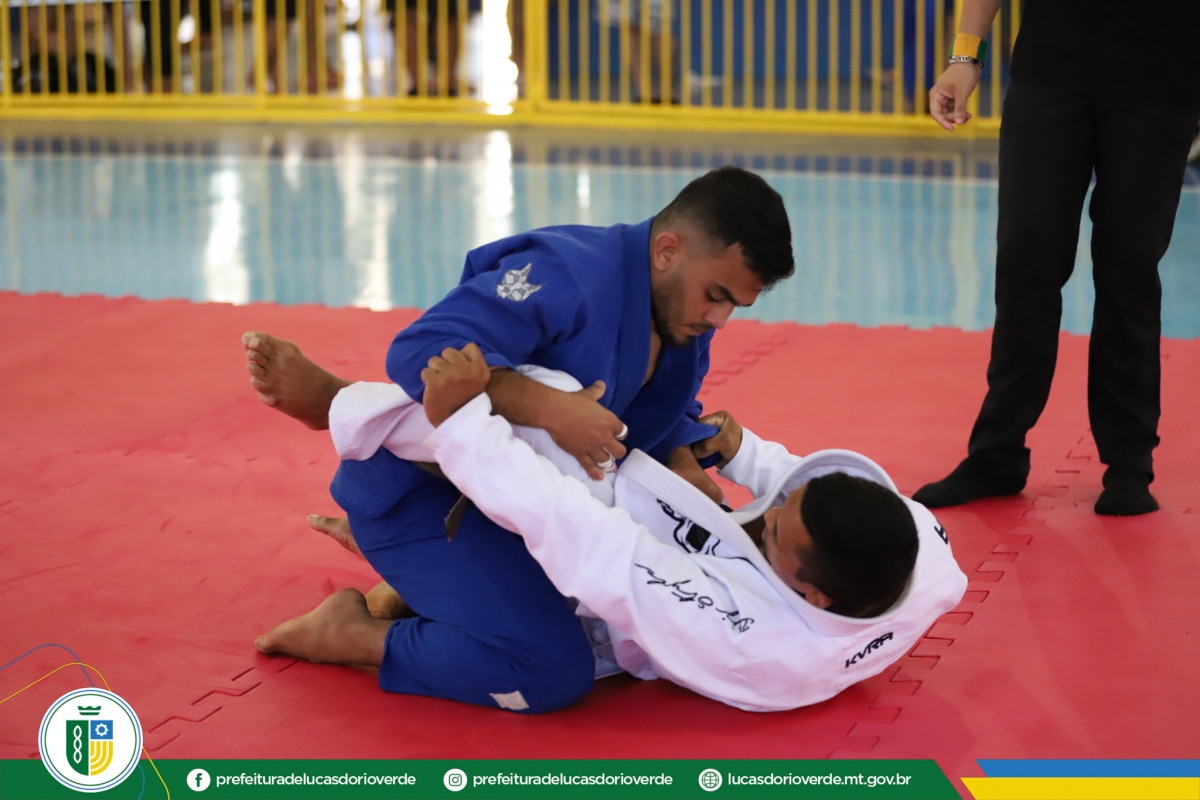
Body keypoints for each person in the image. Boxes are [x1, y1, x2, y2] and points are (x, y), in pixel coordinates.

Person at [244, 166, 795, 713]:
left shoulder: (680, 314)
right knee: (550, 671)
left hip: (530, 516)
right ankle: (350, 633)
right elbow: (420, 352)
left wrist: (681, 464)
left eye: (733, 306)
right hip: (431, 501)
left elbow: (665, 412)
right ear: (667, 250)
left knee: (676, 600)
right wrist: (550, 408)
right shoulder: (567, 272)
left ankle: (421, 589)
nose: (720, 319)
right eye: (716, 295)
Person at [254, 343, 968, 712]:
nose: (766, 512)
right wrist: (748, 455)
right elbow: (816, 496)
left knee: (549, 672)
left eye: (775, 533)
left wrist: (462, 423)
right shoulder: (925, 555)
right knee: (580, 412)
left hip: (600, 594)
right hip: (627, 569)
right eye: (782, 502)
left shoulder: (746, 638)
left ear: (812, 595)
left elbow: (572, 527)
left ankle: (357, 627)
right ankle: (419, 545)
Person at [917, 0, 1200, 516]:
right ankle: (997, 452)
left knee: (1129, 266)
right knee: (1025, 258)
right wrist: (965, 58)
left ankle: (1129, 462)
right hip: (1050, 73)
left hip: (1163, 82)